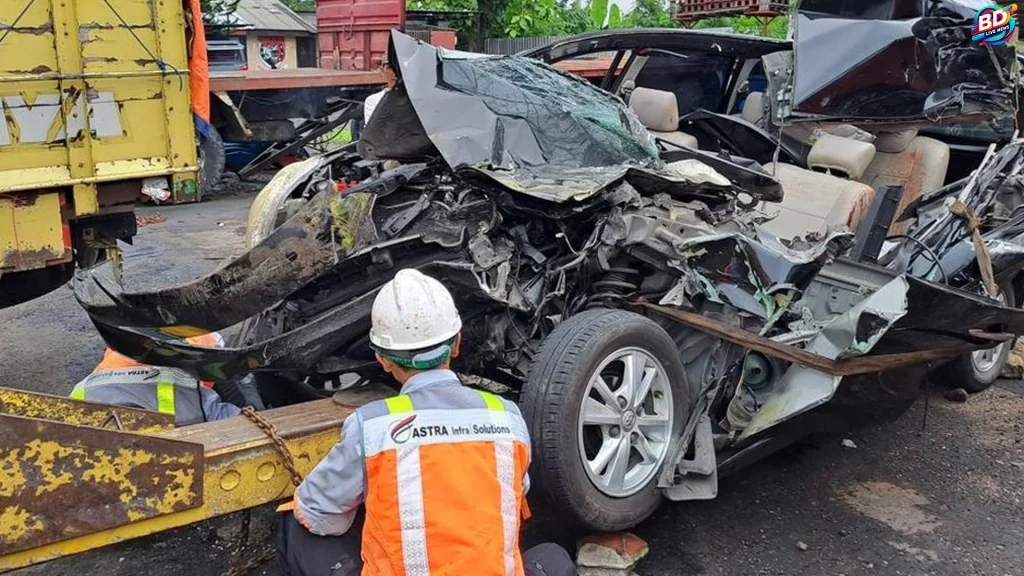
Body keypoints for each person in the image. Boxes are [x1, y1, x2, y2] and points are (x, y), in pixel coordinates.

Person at [276, 269, 575, 576]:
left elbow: (320, 514)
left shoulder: (373, 427)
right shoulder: (508, 417)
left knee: (295, 525)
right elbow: (513, 497)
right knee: (553, 557)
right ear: (457, 343)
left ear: (382, 359)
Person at [69, 331, 242, 426]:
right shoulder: (204, 338)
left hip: (83, 397)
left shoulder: (131, 334)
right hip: (174, 407)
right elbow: (235, 424)